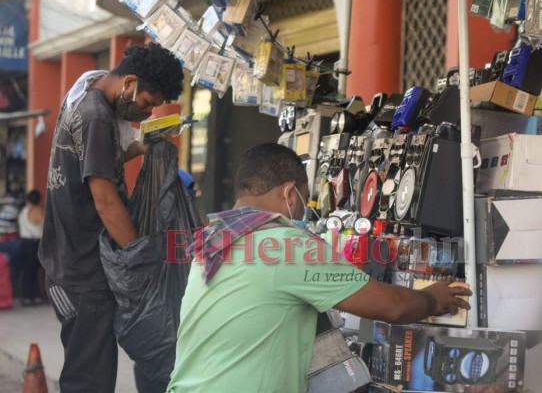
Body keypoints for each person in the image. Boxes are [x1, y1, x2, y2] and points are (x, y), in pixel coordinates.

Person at [167, 143, 472, 393]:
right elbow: (391, 307)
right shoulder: (287, 245)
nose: (302, 209)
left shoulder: (213, 240)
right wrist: (433, 298)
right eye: (302, 199)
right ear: (289, 193)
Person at [38, 42, 183, 393]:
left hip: (69, 261)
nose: (146, 112)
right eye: (147, 102)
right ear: (129, 82)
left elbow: (95, 165)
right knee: (89, 379)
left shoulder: (88, 90)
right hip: (83, 271)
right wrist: (139, 260)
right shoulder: (95, 116)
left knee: (88, 371)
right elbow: (105, 201)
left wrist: (138, 146)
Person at [18, 189, 44, 305]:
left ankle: (26, 296)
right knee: (35, 271)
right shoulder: (37, 211)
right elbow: (46, 225)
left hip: (24, 242)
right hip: (34, 244)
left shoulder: (23, 211)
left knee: (27, 271)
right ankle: (33, 296)